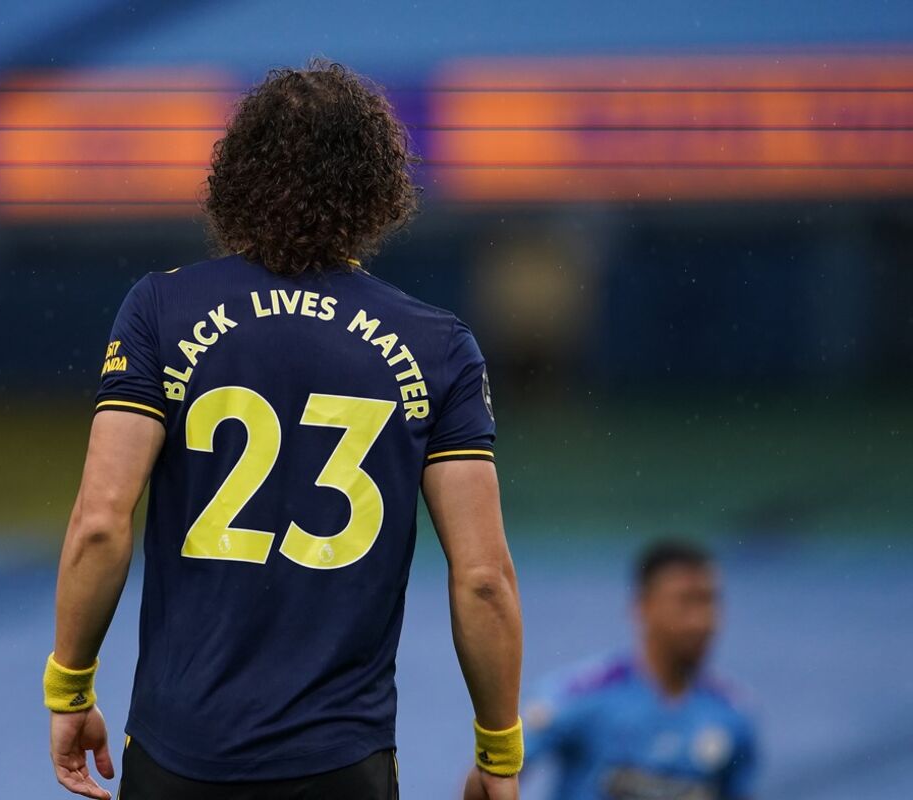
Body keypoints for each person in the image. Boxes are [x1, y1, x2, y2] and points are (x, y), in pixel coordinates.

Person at [42, 60, 524, 800]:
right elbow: (484, 578)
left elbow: (101, 523)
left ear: (237, 175)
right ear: (375, 188)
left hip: (180, 754)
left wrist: (70, 687)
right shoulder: (438, 345)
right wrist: (498, 750)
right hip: (340, 761)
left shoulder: (160, 309)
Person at [522, 540, 758, 800]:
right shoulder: (581, 694)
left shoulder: (732, 713)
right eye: (685, 601)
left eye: (709, 601)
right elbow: (503, 770)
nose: (700, 621)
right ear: (642, 606)